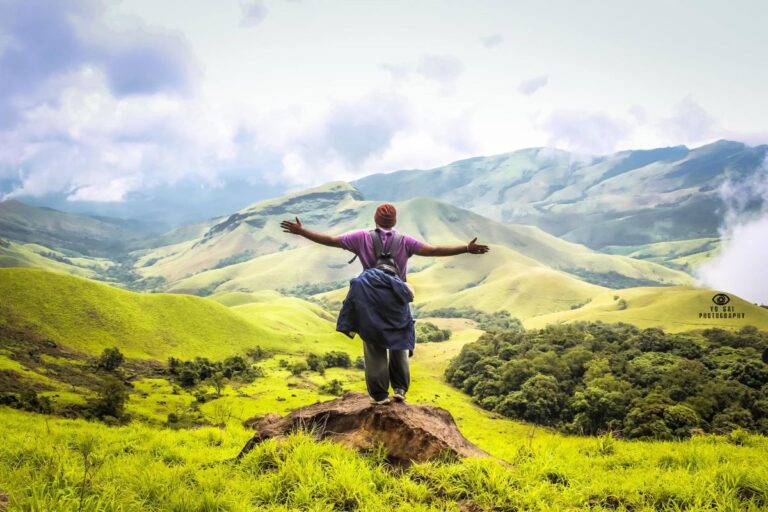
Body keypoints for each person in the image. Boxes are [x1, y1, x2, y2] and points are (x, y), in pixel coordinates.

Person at [280, 203, 489, 405]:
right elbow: (434, 250)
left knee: (373, 344)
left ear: (375, 219)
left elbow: (330, 240)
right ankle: (399, 390)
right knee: (399, 340)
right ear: (395, 221)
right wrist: (465, 248)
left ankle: (379, 395)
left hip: (369, 299)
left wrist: (303, 231)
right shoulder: (406, 241)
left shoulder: (361, 238)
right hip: (397, 299)